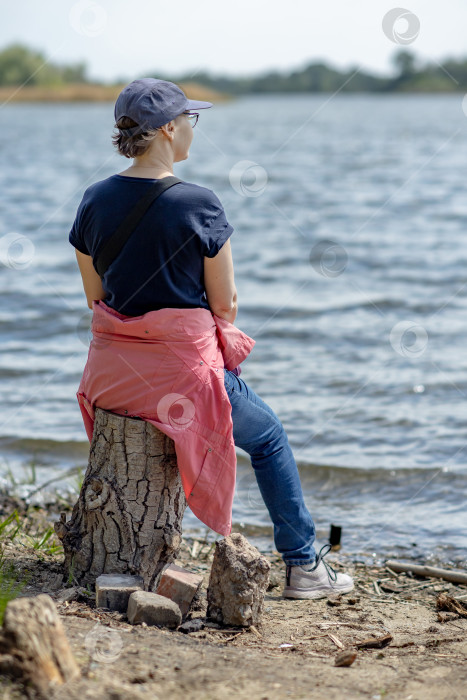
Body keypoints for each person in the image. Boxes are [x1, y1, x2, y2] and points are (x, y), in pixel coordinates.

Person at [69, 78, 354, 600]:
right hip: (180, 379)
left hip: (111, 379)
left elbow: (97, 296)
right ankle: (305, 568)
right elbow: (225, 305)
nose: (193, 132)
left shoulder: (94, 199)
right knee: (268, 437)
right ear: (170, 129)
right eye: (190, 121)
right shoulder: (198, 202)